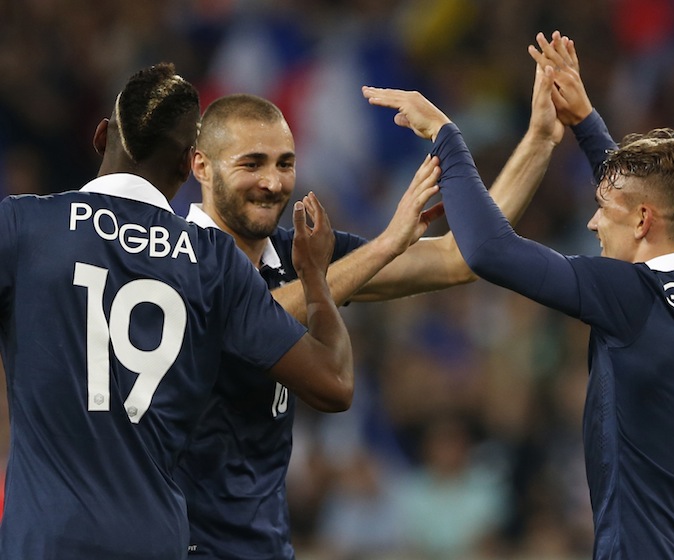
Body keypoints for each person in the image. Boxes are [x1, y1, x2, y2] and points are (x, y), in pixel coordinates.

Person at [173, 37, 605, 560]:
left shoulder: (300, 253)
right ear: (201, 167)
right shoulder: (174, 258)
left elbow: (458, 258)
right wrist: (383, 246)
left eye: (285, 162)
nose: (273, 181)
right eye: (252, 163)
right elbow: (239, 321)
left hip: (263, 545)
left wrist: (540, 138)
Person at [0, 62, 433, 560]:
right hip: (156, 538)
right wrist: (315, 280)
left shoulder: (25, 227)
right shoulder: (212, 260)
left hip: (46, 536)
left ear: (102, 135)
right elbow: (334, 382)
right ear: (190, 164)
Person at [363, 31, 674, 559]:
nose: (593, 222)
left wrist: (446, 136)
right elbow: (642, 205)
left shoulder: (634, 295)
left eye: (604, 210)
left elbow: (488, 252)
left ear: (643, 220)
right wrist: (586, 120)